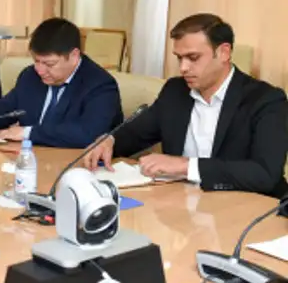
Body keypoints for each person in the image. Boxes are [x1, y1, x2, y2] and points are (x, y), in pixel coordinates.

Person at [83, 13, 288, 198]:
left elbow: (265, 173)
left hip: (245, 207)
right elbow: (136, 134)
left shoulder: (266, 100)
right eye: (179, 58)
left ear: (224, 53)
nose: (183, 68)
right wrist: (109, 141)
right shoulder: (175, 91)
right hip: (183, 203)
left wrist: (186, 166)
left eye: (193, 58)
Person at [0, 17, 122, 148]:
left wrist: (27, 133)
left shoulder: (100, 85)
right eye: (36, 61)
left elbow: (89, 134)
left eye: (49, 64)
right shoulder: (30, 76)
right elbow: (9, 106)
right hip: (29, 158)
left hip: (75, 164)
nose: (40, 70)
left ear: (74, 56)